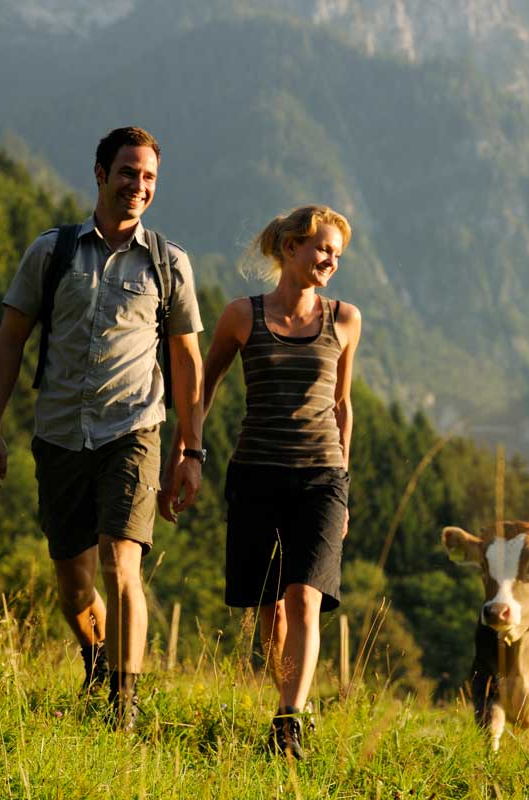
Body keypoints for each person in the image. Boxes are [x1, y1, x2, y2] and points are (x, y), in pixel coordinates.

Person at [0, 126, 205, 730]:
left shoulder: (169, 263)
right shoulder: (51, 252)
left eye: (149, 176)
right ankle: (98, 662)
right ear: (100, 174)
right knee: (74, 587)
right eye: (128, 172)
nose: (139, 185)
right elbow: (9, 343)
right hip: (57, 435)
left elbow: (187, 364)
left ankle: (123, 708)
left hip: (133, 431)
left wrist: (191, 450)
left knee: (119, 562)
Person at [163, 205, 360, 759]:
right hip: (255, 474)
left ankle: (288, 722)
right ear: (291, 247)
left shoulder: (345, 319)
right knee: (270, 608)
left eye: (337, 254)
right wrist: (188, 453)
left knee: (304, 598)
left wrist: (344, 484)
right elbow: (202, 389)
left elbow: (343, 407)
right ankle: (293, 702)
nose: (330, 261)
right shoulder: (240, 316)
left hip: (321, 478)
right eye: (323, 249)